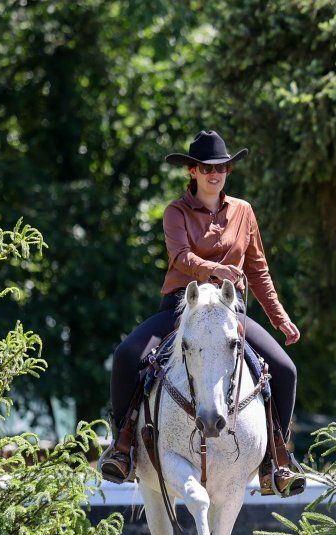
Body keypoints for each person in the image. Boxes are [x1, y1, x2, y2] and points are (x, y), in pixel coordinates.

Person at [99, 130, 302, 494]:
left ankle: (276, 460)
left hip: (229, 311)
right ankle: (123, 445)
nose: (215, 173)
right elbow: (180, 257)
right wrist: (215, 270)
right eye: (207, 167)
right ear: (192, 171)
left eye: (222, 167)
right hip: (182, 306)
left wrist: (278, 317)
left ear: (228, 170)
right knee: (127, 355)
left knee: (285, 369)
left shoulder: (244, 212)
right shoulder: (175, 211)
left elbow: (257, 270)